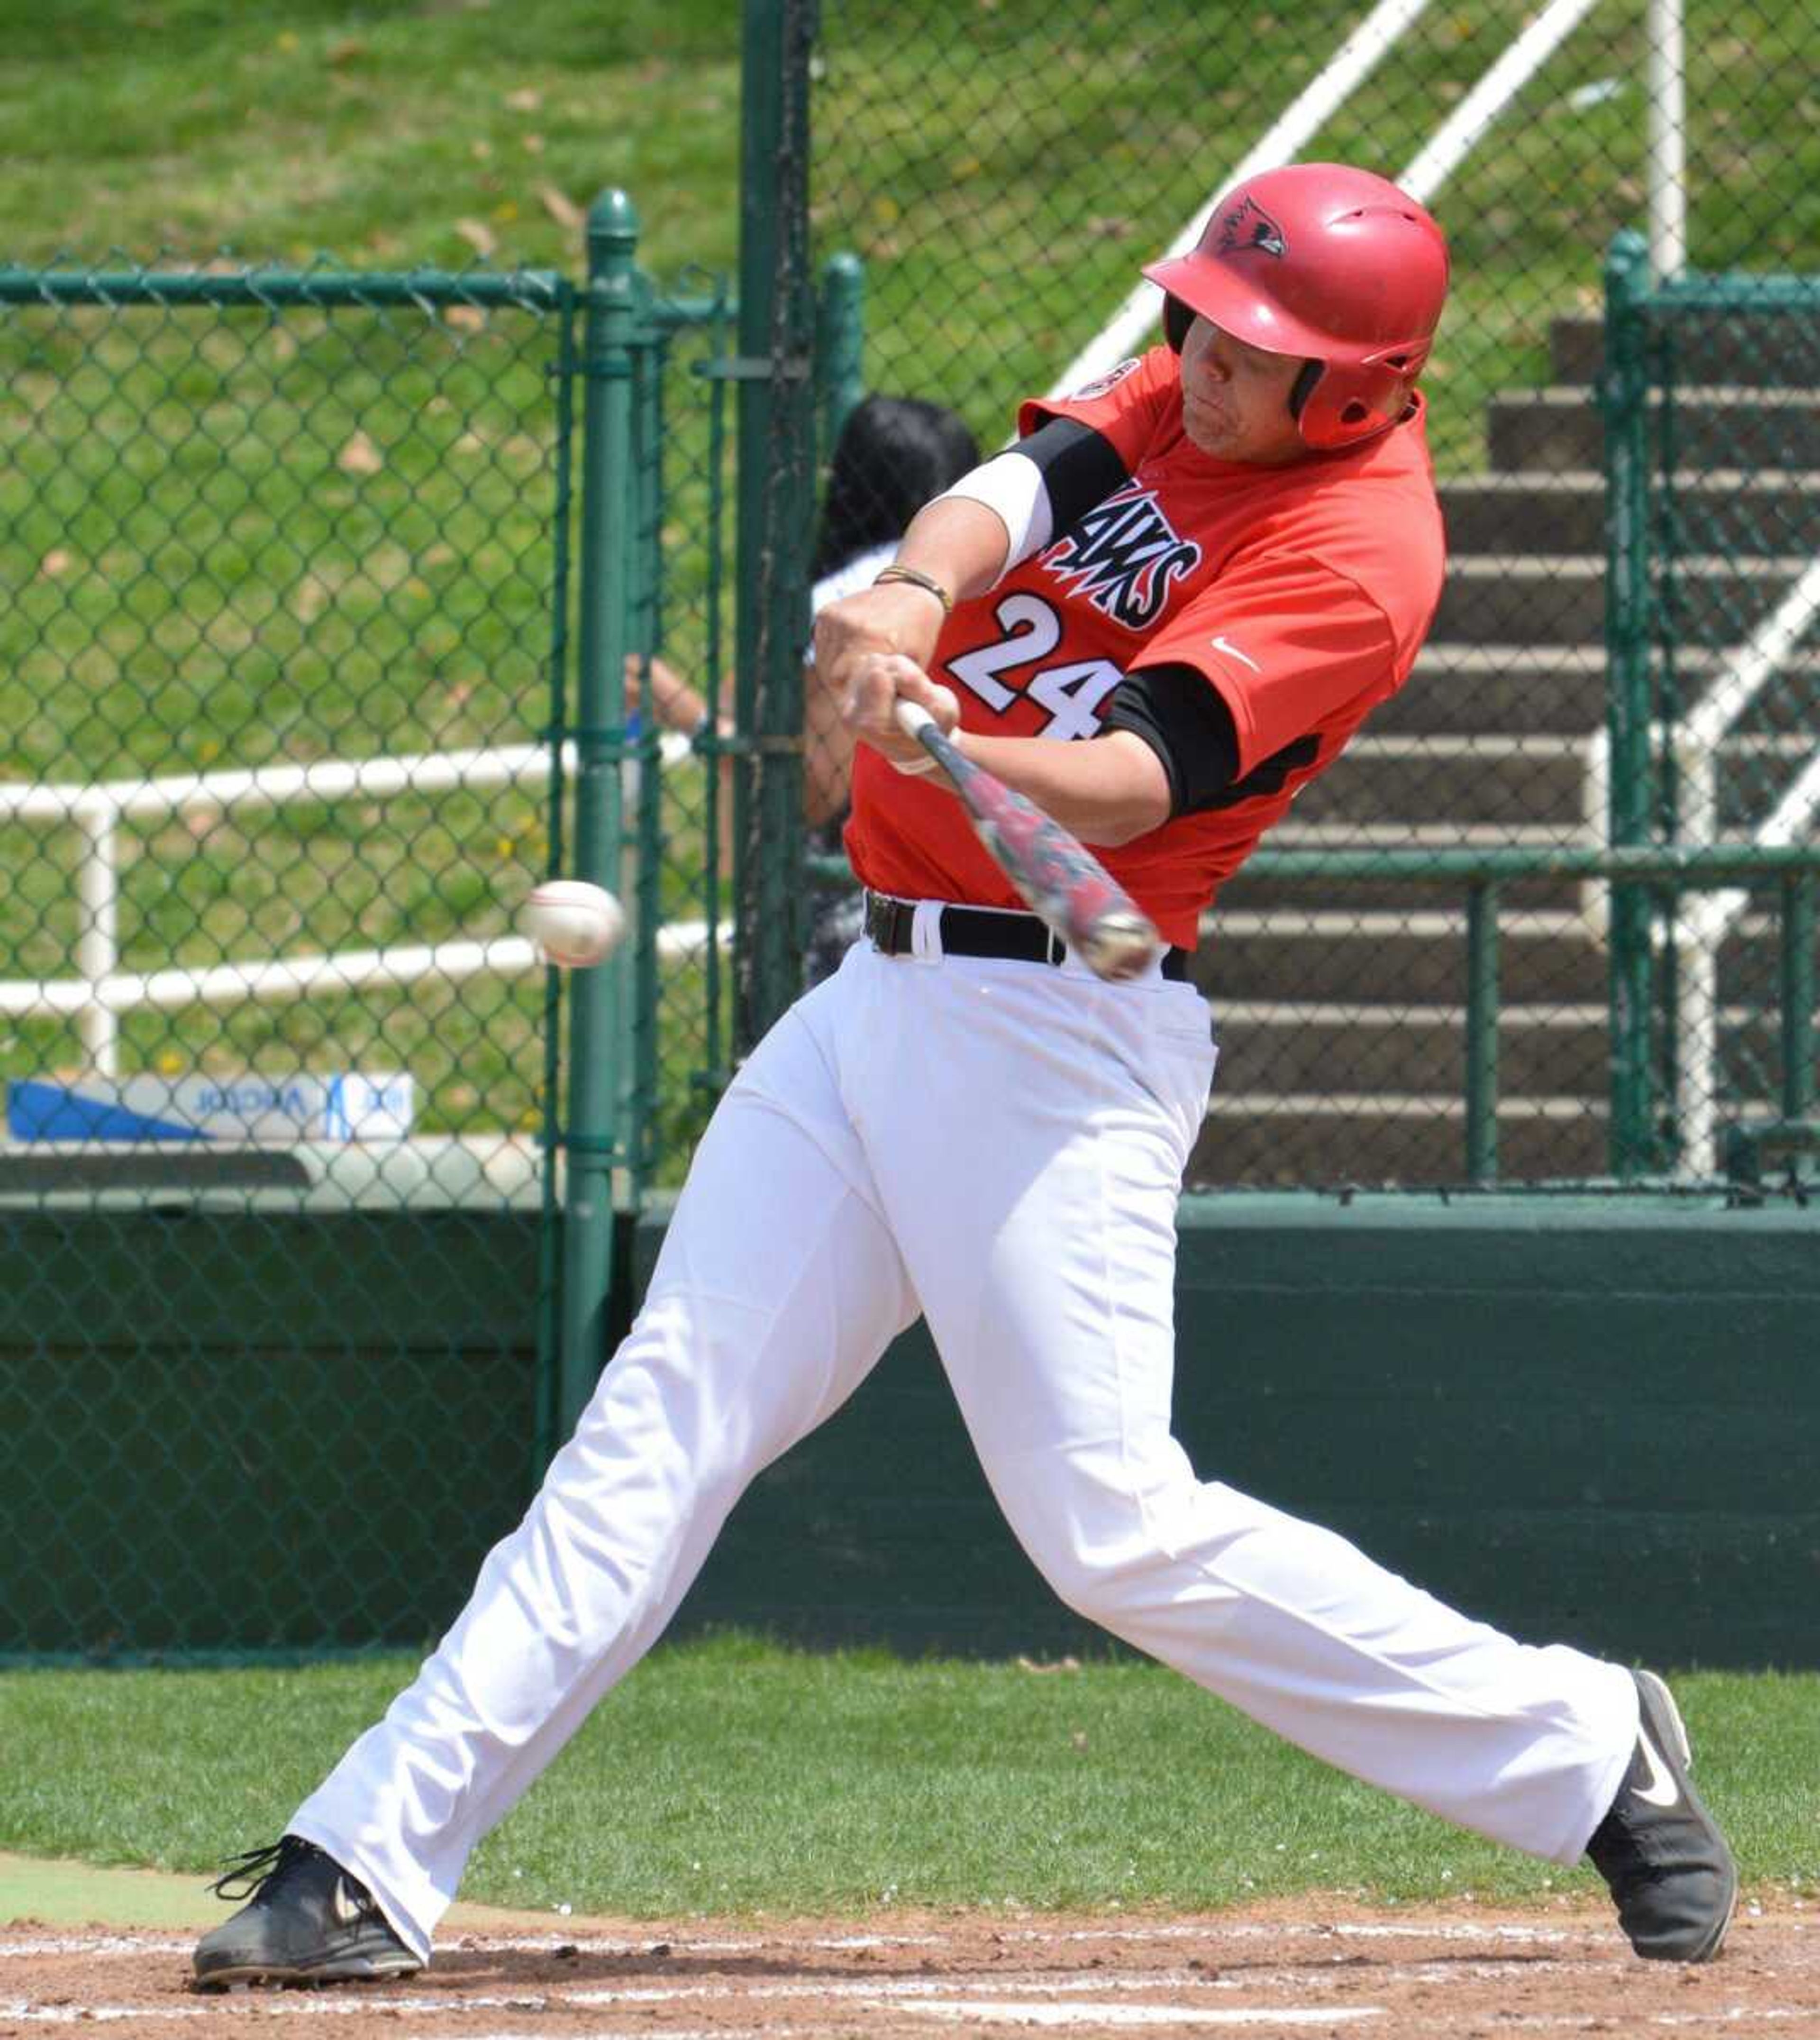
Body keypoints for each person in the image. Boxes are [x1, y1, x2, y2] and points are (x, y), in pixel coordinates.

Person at [191, 164, 1736, 1989]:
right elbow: (1033, 482)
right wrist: (917, 593)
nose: (1202, 366)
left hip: (1055, 1037)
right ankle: (367, 1854)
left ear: (1353, 387)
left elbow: (1152, 773)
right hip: (878, 995)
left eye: (1252, 357)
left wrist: (956, 728)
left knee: (1107, 1526)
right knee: (658, 1426)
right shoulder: (1192, 376)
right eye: (1202, 328)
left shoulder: (1367, 547)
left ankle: (1582, 1744)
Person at [626, 394, 981, 983]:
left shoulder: (853, 602)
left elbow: (815, 788)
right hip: (944, 903)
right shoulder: (961, 586)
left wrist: (691, 716)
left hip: (851, 918)